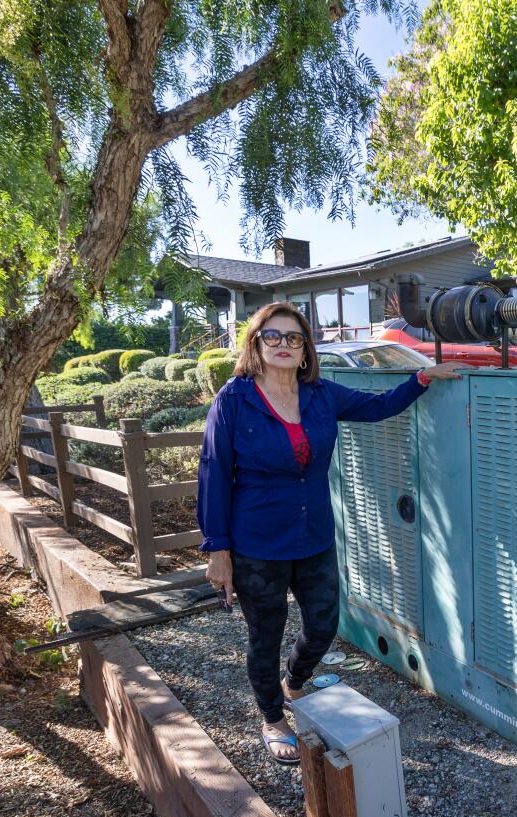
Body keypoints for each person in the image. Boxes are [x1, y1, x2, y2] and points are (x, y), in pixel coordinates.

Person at [197, 302, 465, 766]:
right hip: (257, 543)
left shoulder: (320, 394)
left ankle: (295, 683)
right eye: (273, 336)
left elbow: (379, 408)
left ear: (305, 351)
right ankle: (272, 717)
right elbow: (214, 473)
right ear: (256, 345)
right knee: (266, 633)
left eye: (293, 338)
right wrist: (217, 549)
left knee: (324, 623)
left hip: (314, 534)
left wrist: (423, 378)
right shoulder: (234, 400)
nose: (283, 344)